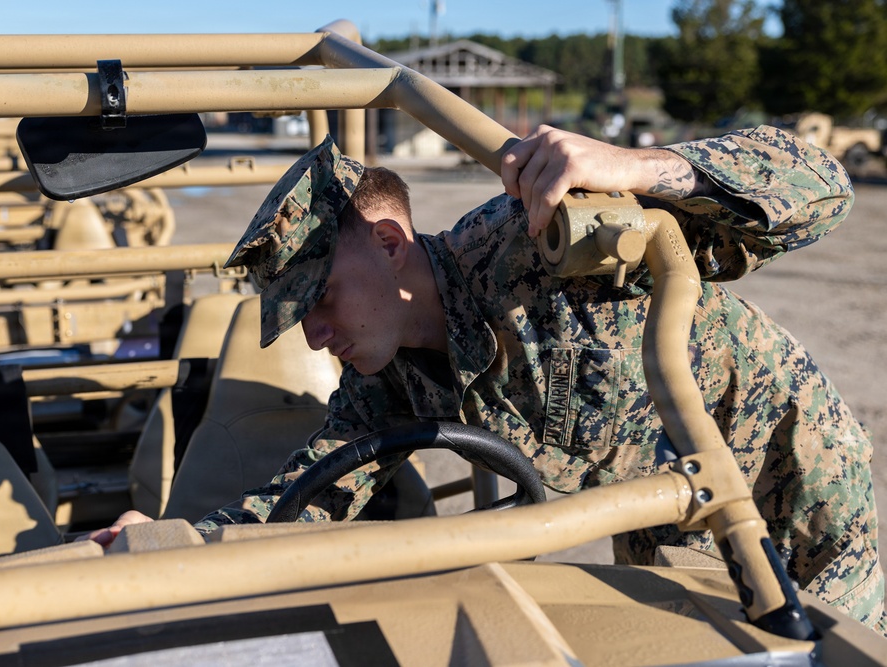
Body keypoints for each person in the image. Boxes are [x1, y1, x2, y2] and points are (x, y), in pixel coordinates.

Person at [88, 126, 883, 633]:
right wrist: (173, 545)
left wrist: (643, 169)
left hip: (789, 493)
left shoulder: (539, 239)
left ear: (391, 240)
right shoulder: (389, 377)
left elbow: (822, 188)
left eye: (320, 297)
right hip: (668, 522)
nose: (314, 332)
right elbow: (307, 496)